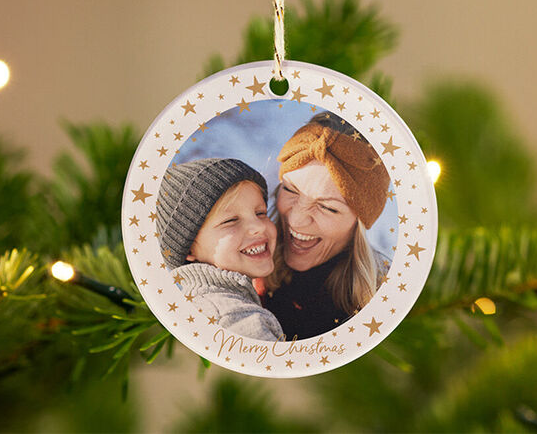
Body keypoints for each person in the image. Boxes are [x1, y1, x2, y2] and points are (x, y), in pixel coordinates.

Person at [263, 112, 391, 340]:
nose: (297, 220)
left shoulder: (377, 311)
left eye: (328, 208)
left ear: (358, 226)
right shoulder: (243, 272)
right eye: (290, 190)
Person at [154, 158, 284, 341]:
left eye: (261, 213)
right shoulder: (233, 317)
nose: (259, 227)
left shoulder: (227, 303)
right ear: (190, 249)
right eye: (230, 220)